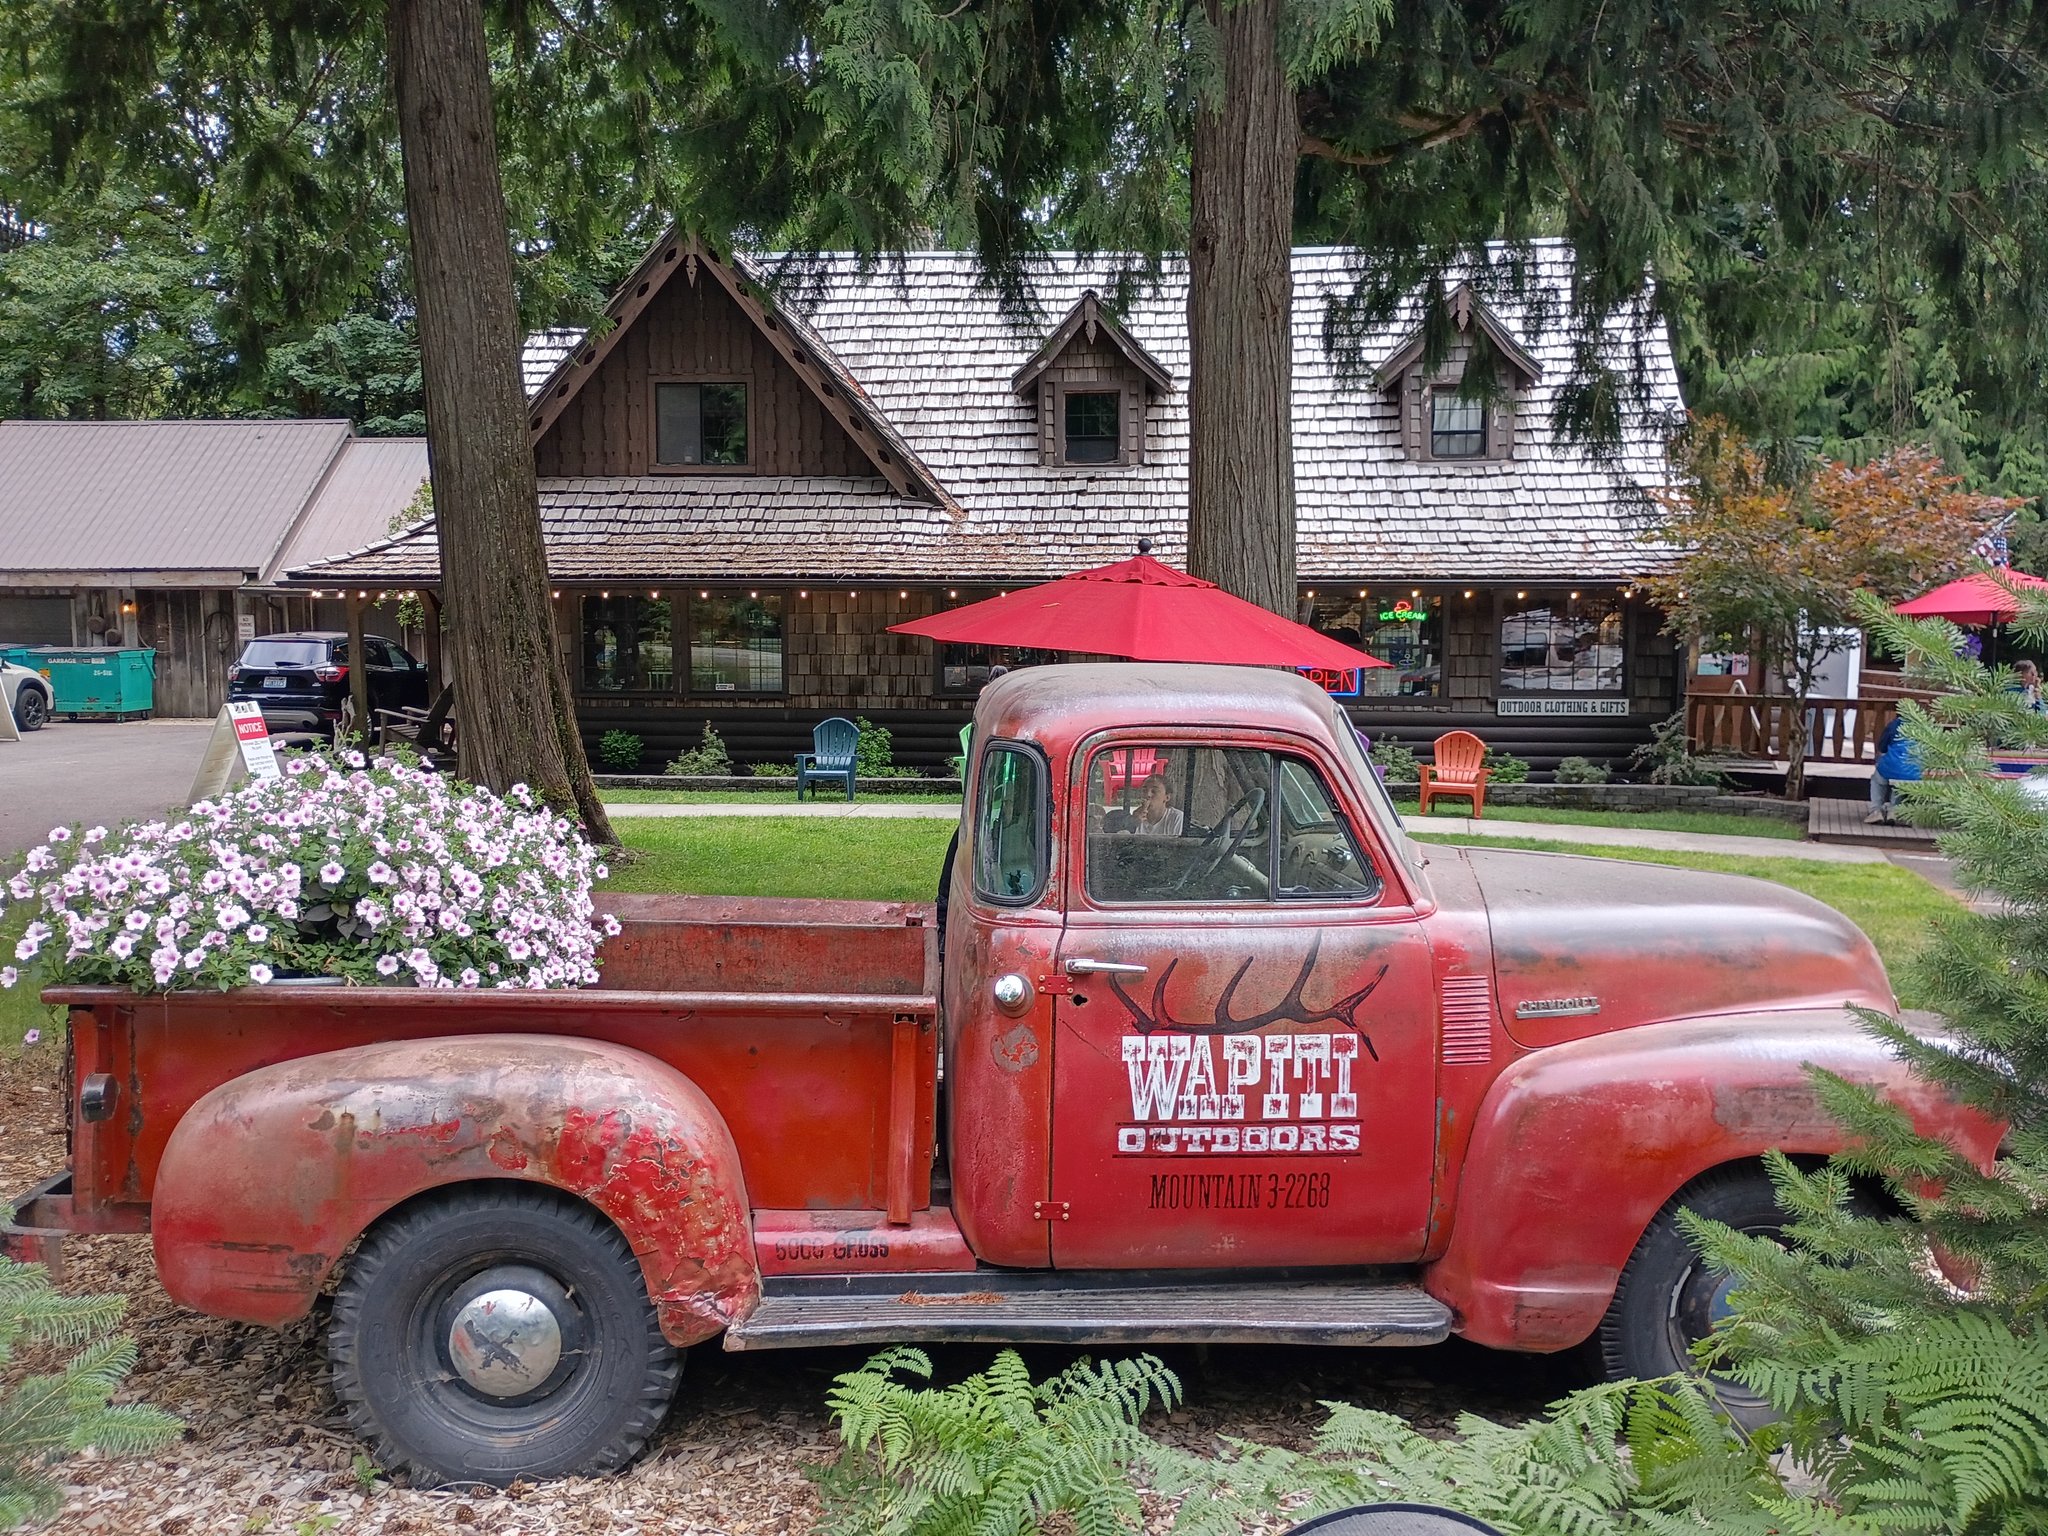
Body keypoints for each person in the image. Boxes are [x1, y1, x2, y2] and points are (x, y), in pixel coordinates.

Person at [1866, 714, 1921, 825]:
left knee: (1877, 780)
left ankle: (1876, 810)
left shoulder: (1894, 725)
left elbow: (1882, 747)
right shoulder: (1924, 728)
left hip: (1893, 766)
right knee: (1900, 781)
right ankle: (1894, 810)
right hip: (1914, 770)